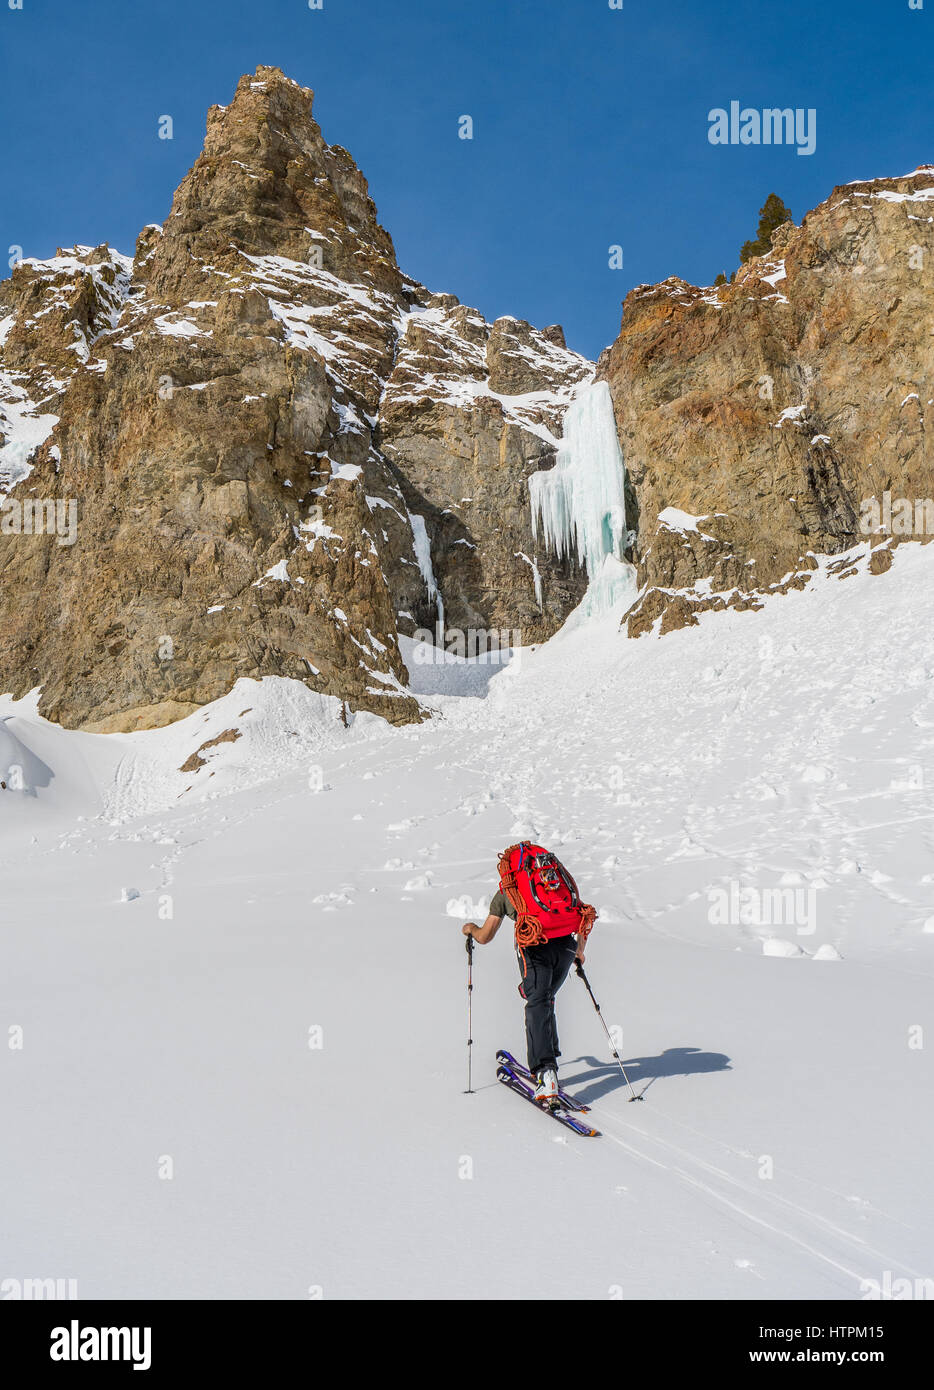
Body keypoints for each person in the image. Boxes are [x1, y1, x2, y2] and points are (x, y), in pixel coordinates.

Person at [462, 843, 594, 1104]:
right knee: (544, 997)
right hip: (566, 947)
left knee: (536, 1002)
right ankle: (551, 1054)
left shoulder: (506, 894)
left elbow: (486, 936)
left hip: (534, 948)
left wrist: (470, 930)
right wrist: (579, 950)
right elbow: (580, 914)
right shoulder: (555, 886)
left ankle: (546, 1072)